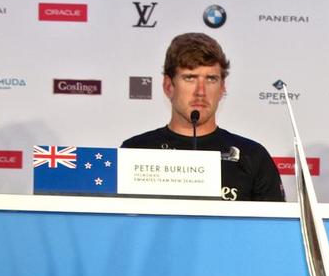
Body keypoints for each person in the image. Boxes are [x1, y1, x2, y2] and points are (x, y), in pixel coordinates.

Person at [122, 33, 285, 201]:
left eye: (211, 79)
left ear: (222, 88)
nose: (201, 91)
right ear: (169, 86)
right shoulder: (135, 150)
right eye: (190, 78)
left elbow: (273, 226)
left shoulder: (252, 156)